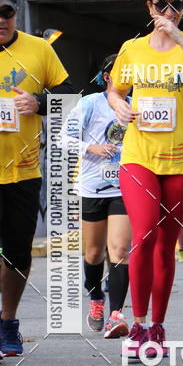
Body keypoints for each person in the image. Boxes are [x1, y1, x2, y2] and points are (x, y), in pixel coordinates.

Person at [108, 0, 183, 356]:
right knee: (144, 236)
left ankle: (158, 326)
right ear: (149, 7)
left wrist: (181, 38)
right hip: (140, 157)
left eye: (177, 5)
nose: (169, 12)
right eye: (162, 5)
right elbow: (115, 89)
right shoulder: (133, 49)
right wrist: (118, 105)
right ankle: (137, 325)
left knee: (167, 244)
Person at [0, 0, 73, 359]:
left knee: (17, 250)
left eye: (8, 13)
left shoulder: (39, 50)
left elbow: (71, 98)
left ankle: (8, 321)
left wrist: (40, 102)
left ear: (16, 14)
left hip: (25, 168)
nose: (1, 20)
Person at [62, 55, 131, 338]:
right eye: (120, 75)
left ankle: (116, 314)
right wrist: (92, 148)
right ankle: (96, 301)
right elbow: (63, 139)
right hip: (92, 187)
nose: (127, 81)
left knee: (119, 251)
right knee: (93, 253)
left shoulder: (139, 104)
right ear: (107, 77)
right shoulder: (90, 103)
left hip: (125, 188)